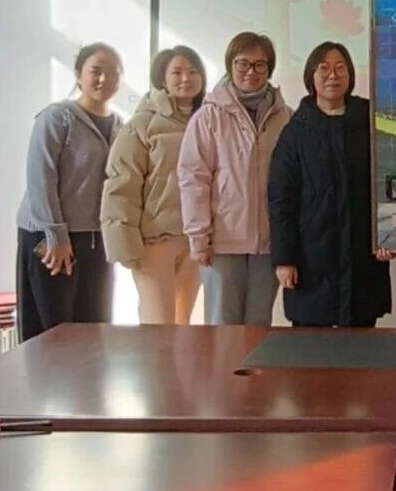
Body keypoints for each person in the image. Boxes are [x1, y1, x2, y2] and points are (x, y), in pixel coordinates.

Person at [268, 41, 395, 327]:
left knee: (363, 341)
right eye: (323, 68)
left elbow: (390, 182)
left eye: (340, 68)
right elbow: (281, 199)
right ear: (311, 76)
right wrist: (284, 259)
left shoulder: (371, 123)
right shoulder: (295, 132)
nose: (332, 75)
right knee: (313, 346)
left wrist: (390, 237)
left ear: (350, 75)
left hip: (363, 256)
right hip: (311, 258)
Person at [178, 32, 291, 325]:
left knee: (259, 328)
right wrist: (198, 238)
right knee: (222, 328)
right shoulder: (209, 116)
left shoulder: (285, 117)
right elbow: (193, 179)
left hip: (268, 245)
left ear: (269, 69)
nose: (251, 71)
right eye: (243, 63)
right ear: (230, 65)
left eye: (259, 64)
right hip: (222, 244)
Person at [16, 42, 123, 341]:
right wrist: (56, 236)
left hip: (96, 237)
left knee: (94, 327)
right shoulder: (57, 117)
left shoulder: (120, 125)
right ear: (78, 75)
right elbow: (41, 178)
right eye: (95, 71)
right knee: (52, 333)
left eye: (113, 72)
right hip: (50, 237)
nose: (104, 79)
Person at [101, 46, 207, 325]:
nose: (186, 78)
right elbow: (122, 184)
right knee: (157, 326)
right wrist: (123, 245)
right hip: (154, 242)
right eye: (177, 72)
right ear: (162, 78)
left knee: (186, 327)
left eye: (193, 71)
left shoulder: (208, 121)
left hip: (195, 242)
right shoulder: (142, 123)